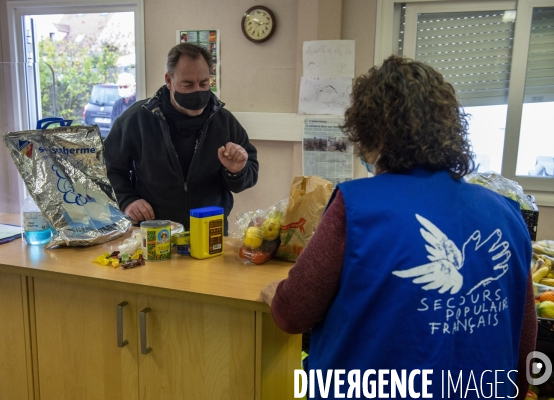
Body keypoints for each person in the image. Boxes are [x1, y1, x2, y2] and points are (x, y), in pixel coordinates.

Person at [260, 56, 535, 398]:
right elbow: (524, 352)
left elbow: (293, 312)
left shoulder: (358, 206)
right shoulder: (507, 215)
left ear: (372, 133)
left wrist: (276, 296)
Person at [104, 43, 258, 233]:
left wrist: (237, 171)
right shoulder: (137, 119)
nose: (198, 91)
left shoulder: (224, 122)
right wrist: (127, 199)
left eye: (203, 83)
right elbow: (107, 168)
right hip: (154, 233)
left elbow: (249, 176)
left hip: (210, 232)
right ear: (169, 80)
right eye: (187, 85)